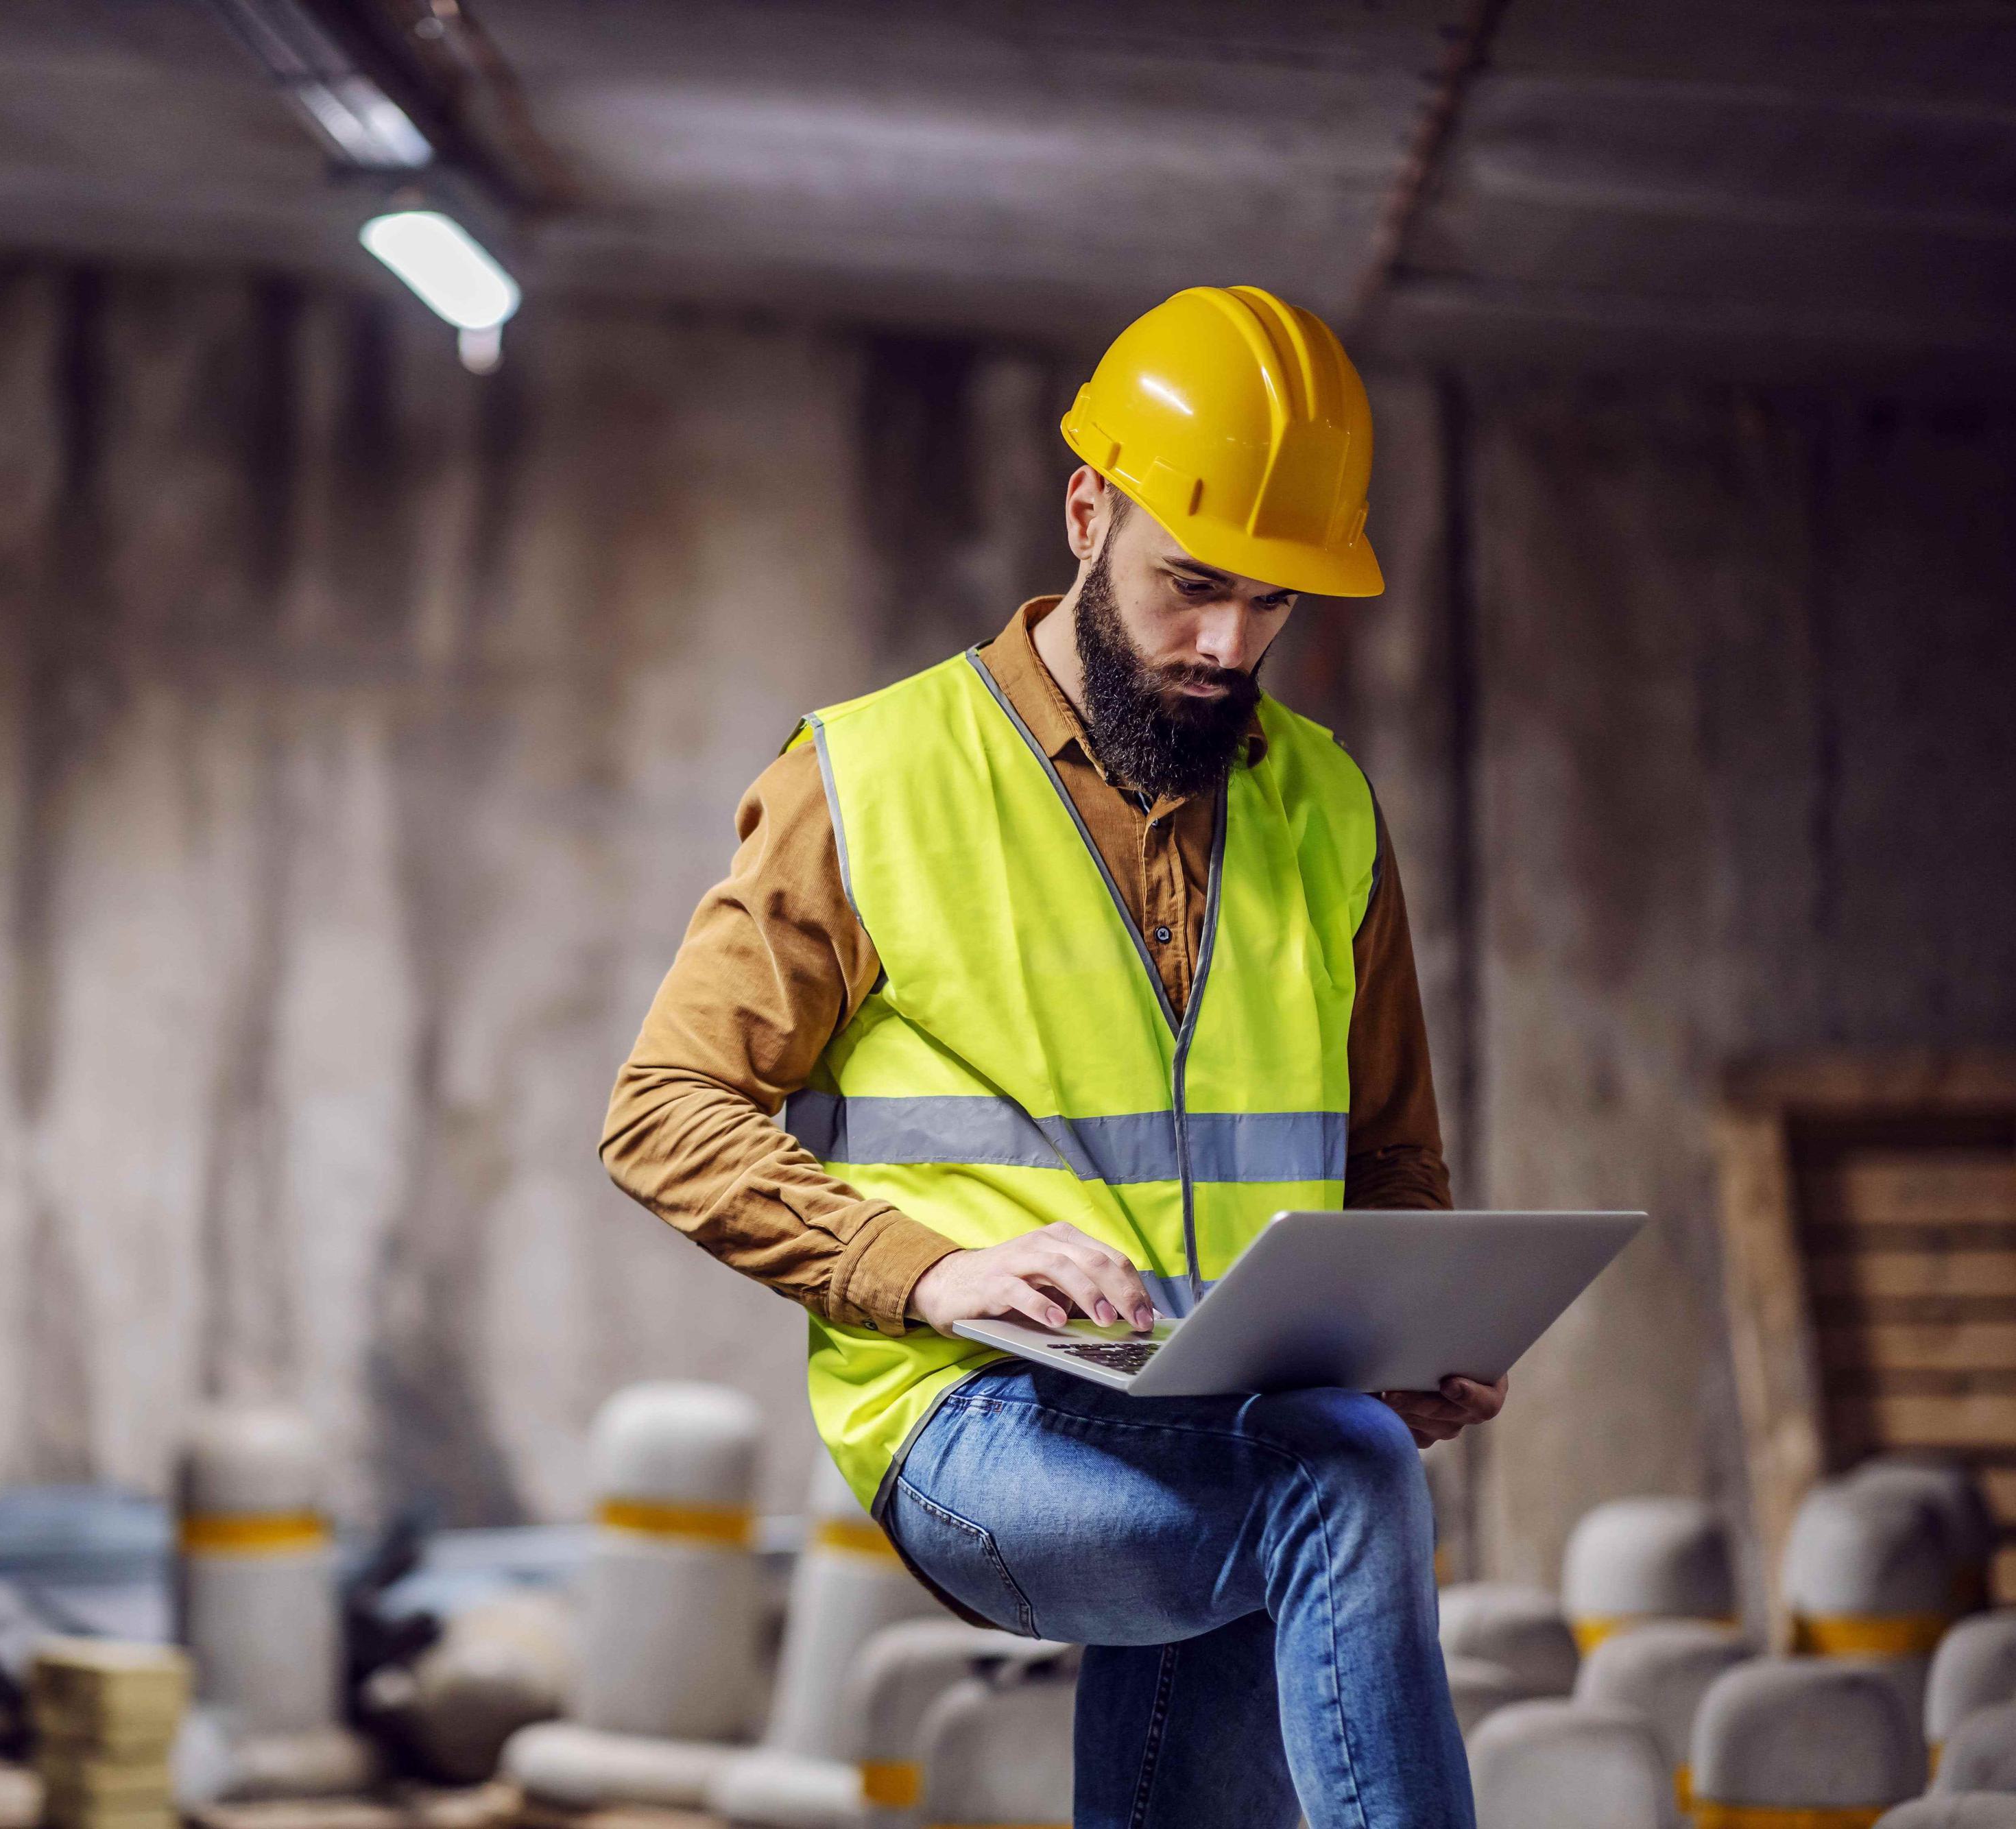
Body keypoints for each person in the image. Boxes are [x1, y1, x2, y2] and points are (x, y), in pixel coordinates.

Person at [600, 287, 1504, 1829]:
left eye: (1272, 603)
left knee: (1319, 1468)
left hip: (1237, 1403)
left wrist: (1400, 1331)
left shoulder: (1327, 808)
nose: (1227, 643)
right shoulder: (870, 776)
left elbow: (1390, 1159)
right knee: (1338, 1481)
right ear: (1085, 512)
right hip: (972, 1413)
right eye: (1190, 584)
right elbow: (662, 1111)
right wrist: (923, 1266)